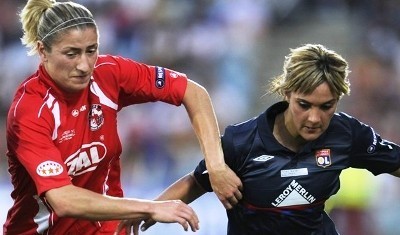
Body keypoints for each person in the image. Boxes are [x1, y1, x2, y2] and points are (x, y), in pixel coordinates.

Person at [3, 0, 243, 234]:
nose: (85, 66)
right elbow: (63, 200)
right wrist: (149, 208)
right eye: (71, 54)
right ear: (43, 51)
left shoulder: (109, 73)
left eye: (91, 50)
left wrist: (216, 166)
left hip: (109, 228)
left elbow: (192, 92)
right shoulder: (30, 111)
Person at [133, 43, 400, 235]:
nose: (314, 118)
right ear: (286, 93)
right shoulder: (242, 142)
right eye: (304, 104)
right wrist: (147, 212)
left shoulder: (346, 134)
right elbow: (196, 182)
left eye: (327, 106)